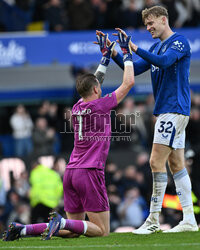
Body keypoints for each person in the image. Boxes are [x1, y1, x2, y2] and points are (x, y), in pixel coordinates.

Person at [3, 30, 135, 241]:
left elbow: (94, 82)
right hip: (89, 172)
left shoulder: (77, 106)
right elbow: (128, 83)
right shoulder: (100, 106)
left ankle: (22, 229)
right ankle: (61, 221)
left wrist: (105, 57)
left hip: (71, 172)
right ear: (96, 90)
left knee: (74, 232)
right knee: (102, 231)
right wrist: (126, 53)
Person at [110, 5, 198, 233]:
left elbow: (165, 62)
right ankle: (189, 219)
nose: (148, 27)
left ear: (163, 19)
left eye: (151, 23)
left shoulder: (179, 42)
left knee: (154, 162)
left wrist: (135, 47)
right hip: (171, 111)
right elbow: (133, 68)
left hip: (172, 109)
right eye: (146, 24)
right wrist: (116, 53)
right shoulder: (156, 47)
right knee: (176, 164)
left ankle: (153, 220)